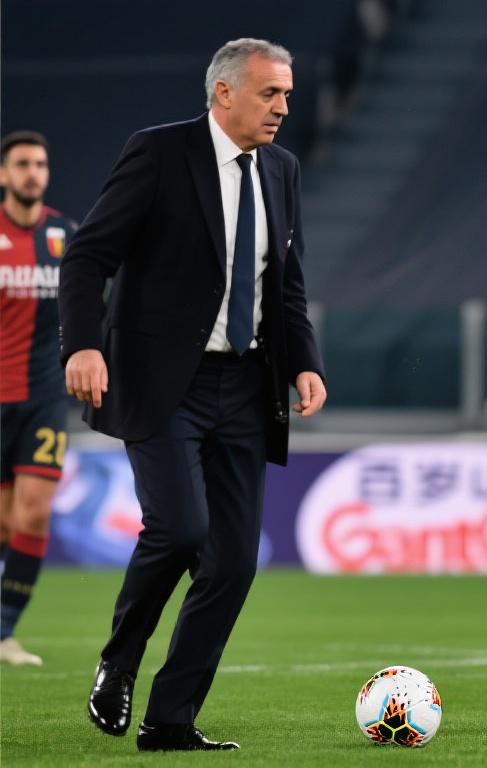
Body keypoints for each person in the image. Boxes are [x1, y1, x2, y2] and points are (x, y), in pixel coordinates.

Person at [58, 38, 327, 752]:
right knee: (179, 530)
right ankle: (119, 661)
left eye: (288, 93)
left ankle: (170, 719)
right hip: (161, 382)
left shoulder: (283, 169)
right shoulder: (158, 152)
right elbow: (87, 256)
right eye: (270, 93)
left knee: (234, 562)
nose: (283, 106)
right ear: (224, 93)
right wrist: (82, 345)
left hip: (247, 385)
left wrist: (305, 362)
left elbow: (287, 282)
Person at [0, 130, 76, 666]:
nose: (33, 173)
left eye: (40, 164)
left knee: (34, 515)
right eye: (23, 164)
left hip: (45, 397)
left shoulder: (64, 235)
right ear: (4, 174)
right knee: (5, 523)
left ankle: (5, 634)